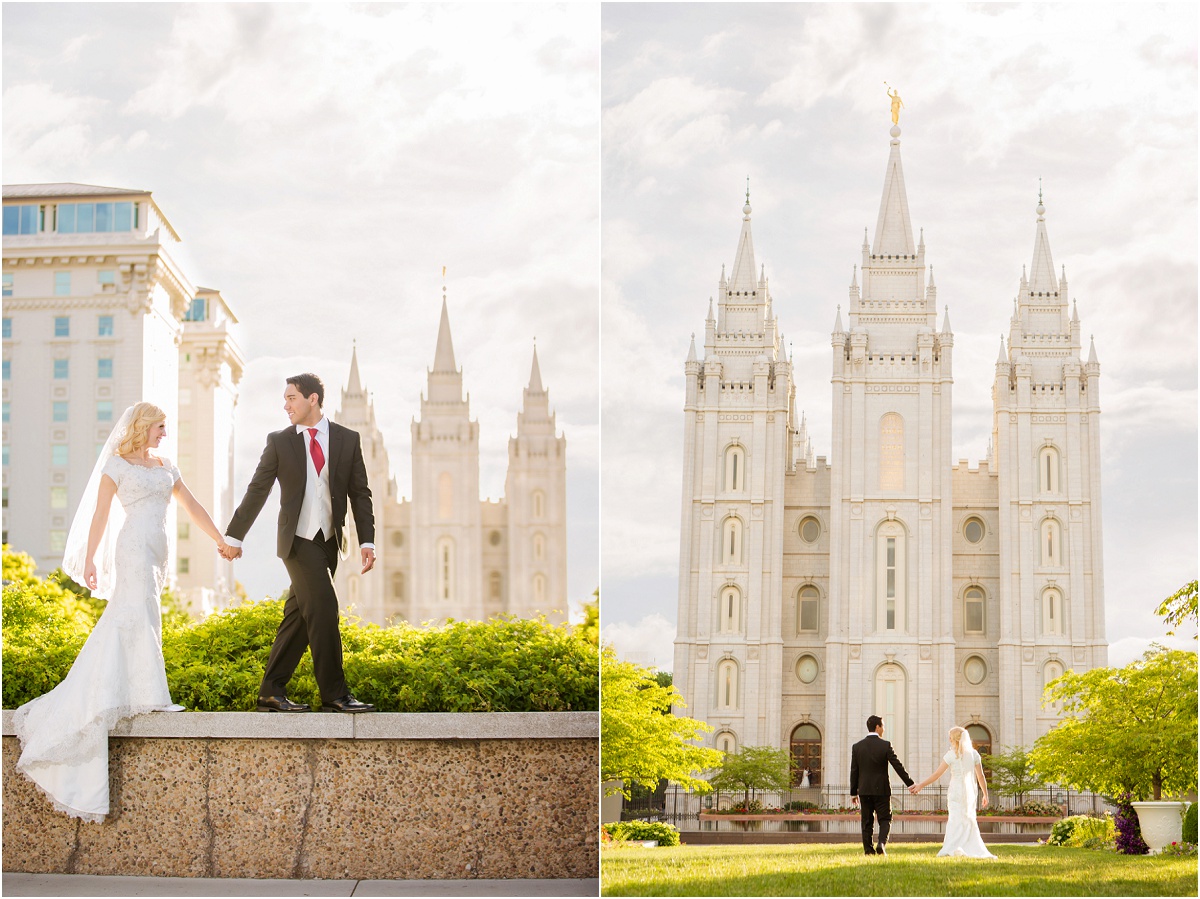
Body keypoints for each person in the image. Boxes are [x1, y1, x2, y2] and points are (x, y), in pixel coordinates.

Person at [13, 403, 231, 822]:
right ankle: (151, 695)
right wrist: (91, 559)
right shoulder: (116, 464)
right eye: (160, 426)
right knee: (133, 612)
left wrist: (218, 539)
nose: (165, 433)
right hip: (131, 546)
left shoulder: (167, 465)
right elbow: (99, 514)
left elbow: (192, 506)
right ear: (143, 426)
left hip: (158, 550)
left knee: (145, 613)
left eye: (165, 427)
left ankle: (140, 689)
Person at [222, 373, 376, 713]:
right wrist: (234, 536)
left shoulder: (347, 440)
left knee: (300, 618)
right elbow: (257, 490)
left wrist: (368, 540)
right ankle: (335, 694)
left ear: (313, 399)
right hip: (297, 541)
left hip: (329, 543)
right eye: (285, 398)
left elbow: (359, 493)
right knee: (324, 608)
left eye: (291, 397)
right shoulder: (280, 442)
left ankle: (270, 691)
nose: (285, 404)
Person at [909, 726, 998, 858]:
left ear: (954, 739)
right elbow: (980, 776)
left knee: (955, 819)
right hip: (968, 792)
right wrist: (985, 794)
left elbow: (937, 774)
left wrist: (921, 785)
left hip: (956, 791)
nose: (949, 739)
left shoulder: (950, 755)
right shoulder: (974, 754)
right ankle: (967, 846)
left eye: (950, 737)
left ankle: (953, 846)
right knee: (967, 819)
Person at [850, 714, 914, 856]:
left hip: (864, 790)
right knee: (885, 819)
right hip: (882, 790)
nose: (884, 729)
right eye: (883, 726)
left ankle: (868, 850)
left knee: (866, 821)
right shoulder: (885, 745)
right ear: (877, 727)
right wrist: (910, 783)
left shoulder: (857, 747)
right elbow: (897, 766)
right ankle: (881, 844)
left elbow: (854, 771)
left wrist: (853, 792)